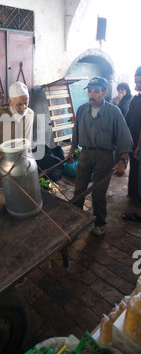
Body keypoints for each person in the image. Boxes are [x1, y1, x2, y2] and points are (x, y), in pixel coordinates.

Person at [65, 76, 133, 237]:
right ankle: (76, 219)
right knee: (79, 190)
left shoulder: (113, 111)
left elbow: (124, 137)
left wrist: (122, 160)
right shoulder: (82, 110)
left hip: (105, 156)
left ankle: (100, 222)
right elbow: (76, 134)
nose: (92, 95)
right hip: (86, 153)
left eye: (96, 92)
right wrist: (70, 152)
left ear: (104, 92)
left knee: (98, 193)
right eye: (89, 91)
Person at [0, 81, 34, 178]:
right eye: (19, 104)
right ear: (10, 102)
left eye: (26, 103)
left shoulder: (30, 114)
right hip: (1, 169)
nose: (23, 107)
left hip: (23, 165)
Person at [125, 66, 141, 201]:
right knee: (134, 168)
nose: (137, 85)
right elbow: (128, 119)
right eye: (136, 81)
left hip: (139, 142)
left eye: (140, 81)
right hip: (133, 139)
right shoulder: (135, 99)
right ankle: (133, 194)